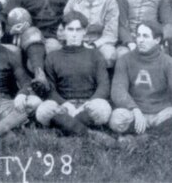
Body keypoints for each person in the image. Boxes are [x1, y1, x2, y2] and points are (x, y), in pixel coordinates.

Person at [35, 11, 115, 146]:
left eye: (78, 30)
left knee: (103, 109)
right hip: (63, 105)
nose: (74, 34)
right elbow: (51, 89)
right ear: (64, 31)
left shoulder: (95, 55)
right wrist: (65, 104)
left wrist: (87, 104)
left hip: (89, 105)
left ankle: (65, 129)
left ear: (84, 32)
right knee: (42, 111)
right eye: (70, 29)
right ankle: (89, 134)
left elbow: (104, 85)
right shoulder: (53, 56)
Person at [109, 21, 172, 136]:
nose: (140, 40)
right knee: (116, 119)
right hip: (134, 112)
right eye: (138, 36)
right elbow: (118, 90)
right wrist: (134, 109)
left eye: (145, 36)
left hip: (160, 113)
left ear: (157, 40)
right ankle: (157, 131)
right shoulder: (125, 60)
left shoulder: (168, 61)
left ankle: (145, 130)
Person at [4, 0, 73, 96]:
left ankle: (47, 89)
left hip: (54, 39)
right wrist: (11, 30)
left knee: (52, 46)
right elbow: (3, 17)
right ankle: (39, 75)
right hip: (30, 40)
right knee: (33, 32)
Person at [63, 0, 119, 68]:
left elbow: (111, 33)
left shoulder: (109, 2)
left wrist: (94, 45)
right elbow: (65, 28)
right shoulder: (73, 2)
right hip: (78, 41)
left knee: (109, 54)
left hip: (100, 43)